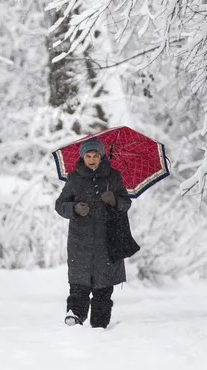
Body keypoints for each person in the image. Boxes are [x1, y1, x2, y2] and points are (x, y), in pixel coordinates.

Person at [54, 137, 131, 328]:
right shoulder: (74, 179)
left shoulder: (113, 177)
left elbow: (126, 203)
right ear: (82, 157)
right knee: (79, 282)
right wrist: (74, 208)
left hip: (108, 240)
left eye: (95, 155)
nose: (92, 159)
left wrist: (114, 200)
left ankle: (100, 326)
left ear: (101, 156)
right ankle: (75, 316)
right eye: (88, 156)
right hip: (80, 242)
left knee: (104, 287)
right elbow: (59, 205)